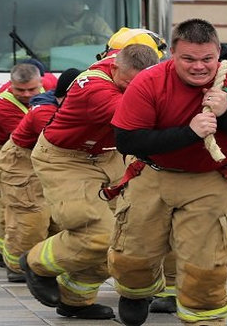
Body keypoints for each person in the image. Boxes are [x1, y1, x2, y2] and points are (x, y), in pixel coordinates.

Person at [107, 18, 227, 326]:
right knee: (133, 256)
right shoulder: (149, 81)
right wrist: (189, 132)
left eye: (207, 59)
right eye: (188, 59)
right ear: (172, 54)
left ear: (218, 55)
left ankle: (204, 320)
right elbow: (127, 140)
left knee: (206, 268)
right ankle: (135, 292)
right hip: (154, 174)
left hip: (212, 179)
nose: (199, 67)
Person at [19, 41, 161, 320]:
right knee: (95, 233)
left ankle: (75, 300)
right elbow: (135, 117)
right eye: (127, 82)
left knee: (123, 238)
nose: (132, 89)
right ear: (114, 66)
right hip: (66, 159)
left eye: (140, 84)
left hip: (108, 157)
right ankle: (35, 263)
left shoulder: (138, 77)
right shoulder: (94, 87)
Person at [0, 68, 81, 281]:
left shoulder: (65, 103)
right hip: (22, 162)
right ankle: (18, 267)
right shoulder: (43, 111)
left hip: (50, 160)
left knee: (57, 218)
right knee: (31, 217)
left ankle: (44, 263)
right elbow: (62, 140)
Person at [0, 63, 44, 270]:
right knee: (3, 203)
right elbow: (29, 136)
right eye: (20, 90)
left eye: (32, 89)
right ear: (10, 85)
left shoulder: (49, 86)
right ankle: (4, 254)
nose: (26, 94)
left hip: (22, 151)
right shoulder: (3, 104)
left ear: (41, 83)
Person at [32, 0, 113, 60]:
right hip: (61, 68)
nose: (76, 5)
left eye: (80, 2)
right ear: (62, 4)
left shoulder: (95, 21)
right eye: (72, 2)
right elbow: (39, 51)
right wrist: (61, 53)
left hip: (93, 66)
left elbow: (110, 44)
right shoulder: (51, 27)